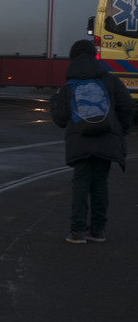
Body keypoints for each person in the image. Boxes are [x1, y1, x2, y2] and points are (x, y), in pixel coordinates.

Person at [52, 39, 133, 244]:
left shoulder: (69, 85)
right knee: (100, 184)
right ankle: (98, 230)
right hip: (107, 138)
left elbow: (61, 119)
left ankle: (77, 231)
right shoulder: (110, 80)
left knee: (81, 183)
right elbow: (128, 107)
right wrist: (119, 129)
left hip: (79, 140)